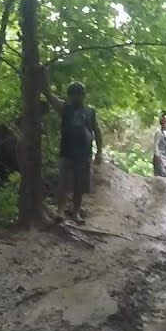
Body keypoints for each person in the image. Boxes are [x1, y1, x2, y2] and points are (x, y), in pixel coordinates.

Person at [41, 75, 104, 222]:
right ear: (69, 96)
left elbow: (97, 130)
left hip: (84, 154)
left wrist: (99, 152)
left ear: (83, 96)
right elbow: (49, 95)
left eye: (78, 95)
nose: (75, 98)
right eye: (73, 95)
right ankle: (60, 212)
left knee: (79, 187)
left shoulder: (90, 112)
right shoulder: (65, 108)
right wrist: (43, 80)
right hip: (67, 152)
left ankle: (76, 213)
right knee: (63, 184)